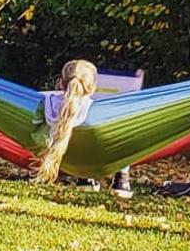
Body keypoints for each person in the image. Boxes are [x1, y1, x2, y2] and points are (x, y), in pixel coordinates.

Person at [34, 59, 133, 197]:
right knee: (125, 130)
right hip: (97, 157)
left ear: (61, 83)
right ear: (92, 88)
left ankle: (85, 178)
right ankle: (122, 180)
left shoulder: (43, 102)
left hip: (65, 157)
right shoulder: (95, 110)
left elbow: (32, 123)